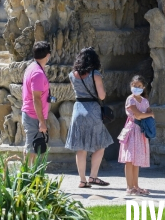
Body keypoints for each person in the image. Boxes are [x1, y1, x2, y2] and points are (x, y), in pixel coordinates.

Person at [65, 47, 113, 188]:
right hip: (92, 110)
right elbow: (102, 96)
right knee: (101, 144)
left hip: (78, 110)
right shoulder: (95, 74)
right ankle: (93, 176)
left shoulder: (71, 75)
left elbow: (75, 92)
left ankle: (82, 180)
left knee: (80, 148)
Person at [119, 75, 153, 195]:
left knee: (136, 160)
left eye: (139, 86)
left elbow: (148, 114)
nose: (136, 88)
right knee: (129, 160)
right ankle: (129, 187)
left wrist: (147, 115)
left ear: (143, 87)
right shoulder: (130, 99)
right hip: (132, 131)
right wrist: (148, 115)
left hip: (140, 132)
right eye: (134, 85)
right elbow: (138, 115)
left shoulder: (145, 101)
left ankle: (136, 186)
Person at [22, 40, 51, 163]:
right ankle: (28, 179)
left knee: (30, 147)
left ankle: (29, 176)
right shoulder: (38, 73)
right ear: (48, 55)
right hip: (33, 115)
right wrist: (41, 122)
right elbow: (36, 98)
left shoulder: (31, 67)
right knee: (32, 149)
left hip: (31, 114)